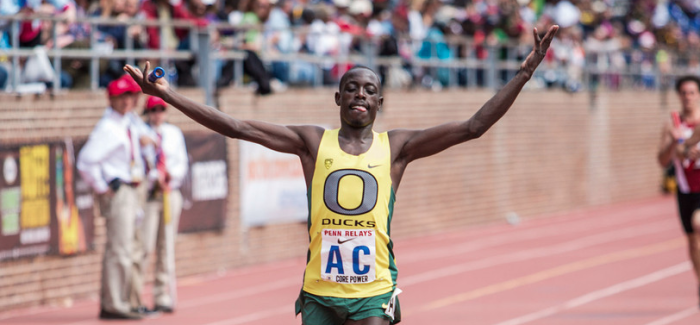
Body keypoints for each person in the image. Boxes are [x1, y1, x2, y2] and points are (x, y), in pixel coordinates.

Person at [124, 25, 559, 325]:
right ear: (338, 97)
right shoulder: (313, 143)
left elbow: (473, 126)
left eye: (370, 90)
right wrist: (168, 95)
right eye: (352, 87)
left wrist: (524, 73)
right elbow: (238, 126)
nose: (360, 95)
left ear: (379, 103)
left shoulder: (397, 148)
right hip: (319, 290)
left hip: (372, 290)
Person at [76, 74, 147, 320]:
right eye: (121, 96)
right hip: (119, 191)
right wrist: (101, 186)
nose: (127, 101)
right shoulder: (108, 127)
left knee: (131, 248)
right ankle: (114, 304)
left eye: (131, 95)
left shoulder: (129, 122)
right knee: (120, 250)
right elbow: (85, 161)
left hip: (133, 188)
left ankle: (124, 300)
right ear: (111, 99)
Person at [131, 96, 189, 314]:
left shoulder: (173, 133)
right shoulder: (140, 132)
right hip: (149, 194)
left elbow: (182, 163)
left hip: (169, 193)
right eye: (153, 110)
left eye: (161, 109)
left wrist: (170, 177)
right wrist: (155, 176)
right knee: (144, 246)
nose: (157, 113)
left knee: (166, 245)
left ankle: (161, 295)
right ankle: (135, 296)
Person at [659, 75, 700, 306]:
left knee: (698, 224)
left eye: (692, 92)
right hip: (685, 192)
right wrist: (675, 145)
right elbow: (662, 160)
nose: (688, 97)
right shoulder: (673, 125)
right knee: (693, 242)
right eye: (684, 93)